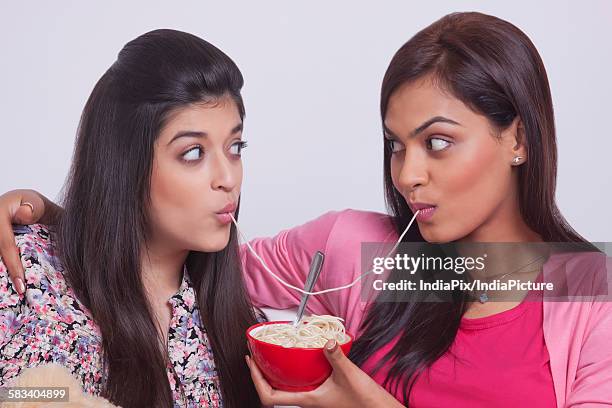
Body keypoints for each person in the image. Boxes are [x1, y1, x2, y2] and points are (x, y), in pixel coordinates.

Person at [2, 12, 612, 407]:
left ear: (519, 139)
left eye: (439, 142)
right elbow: (170, 253)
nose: (408, 174)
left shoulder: (591, 294)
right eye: (395, 146)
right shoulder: (371, 257)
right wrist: (55, 220)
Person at [0, 28, 263, 407]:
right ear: (126, 165)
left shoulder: (237, 322)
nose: (228, 179)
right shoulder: (26, 268)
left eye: (235, 147)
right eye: (193, 153)